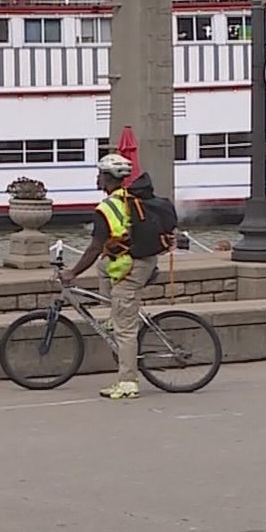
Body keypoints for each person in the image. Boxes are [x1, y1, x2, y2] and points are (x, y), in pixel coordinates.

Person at [64, 154, 158, 401]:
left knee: (125, 331)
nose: (96, 178)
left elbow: (94, 248)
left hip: (133, 266)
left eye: (99, 175)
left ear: (107, 178)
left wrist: (72, 272)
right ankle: (113, 316)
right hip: (142, 259)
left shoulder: (105, 209)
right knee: (103, 267)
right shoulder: (127, 197)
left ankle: (128, 383)